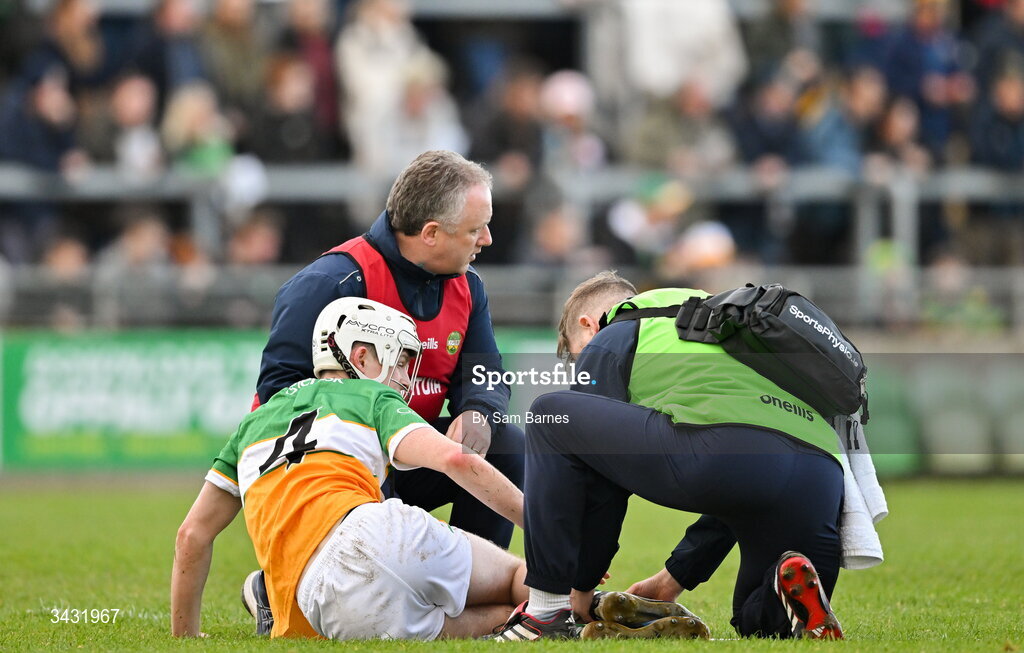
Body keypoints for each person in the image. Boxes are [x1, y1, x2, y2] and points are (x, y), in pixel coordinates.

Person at [488, 271, 845, 640]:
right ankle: (784, 599)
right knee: (759, 624)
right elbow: (741, 485)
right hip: (821, 472)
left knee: (551, 414)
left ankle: (545, 615)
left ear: (587, 326)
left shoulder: (612, 332)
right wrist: (673, 577)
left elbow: (599, 477)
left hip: (728, 454)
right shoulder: (722, 317)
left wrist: (581, 587)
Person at [171, 297, 528, 640]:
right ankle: (572, 601)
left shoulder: (250, 426)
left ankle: (562, 613)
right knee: (517, 579)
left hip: (316, 603)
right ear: (360, 356)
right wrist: (539, 524)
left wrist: (185, 636)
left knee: (497, 620)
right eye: (400, 362)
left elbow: (191, 536)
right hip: (377, 532)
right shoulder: (371, 396)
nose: (405, 378)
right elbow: (456, 459)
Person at [255, 150, 524, 550]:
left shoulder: (468, 286)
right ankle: (281, 577)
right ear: (431, 233)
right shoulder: (330, 283)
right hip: (330, 470)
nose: (487, 240)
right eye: (476, 230)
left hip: (404, 457)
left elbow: (483, 375)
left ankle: (478, 585)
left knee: (504, 443)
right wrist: (374, 427)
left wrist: (479, 411)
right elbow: (279, 392)